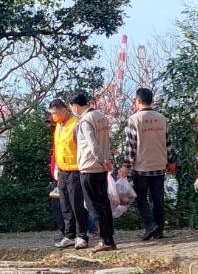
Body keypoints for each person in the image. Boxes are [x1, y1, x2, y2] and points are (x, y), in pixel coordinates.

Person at [117, 87, 177, 241]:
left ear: (137, 101)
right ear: (152, 100)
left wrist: (126, 165)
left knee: (140, 197)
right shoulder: (161, 118)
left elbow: (131, 145)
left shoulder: (134, 119)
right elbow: (168, 142)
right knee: (158, 199)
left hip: (141, 167)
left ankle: (150, 225)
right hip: (159, 165)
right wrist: (171, 161)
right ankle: (159, 230)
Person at [69, 92, 116, 252]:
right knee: (104, 203)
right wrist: (106, 160)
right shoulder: (100, 116)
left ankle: (105, 240)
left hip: (90, 166)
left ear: (75, 105)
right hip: (101, 167)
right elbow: (106, 141)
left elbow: (92, 143)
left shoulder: (85, 120)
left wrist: (101, 159)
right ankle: (109, 237)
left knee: (94, 205)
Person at [49, 98, 86, 248]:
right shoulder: (59, 126)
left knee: (77, 204)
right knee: (64, 205)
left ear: (64, 110)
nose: (53, 117)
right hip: (62, 171)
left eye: (55, 113)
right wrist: (57, 168)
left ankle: (82, 236)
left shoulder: (76, 124)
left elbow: (83, 147)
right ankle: (69, 235)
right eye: (52, 114)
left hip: (75, 170)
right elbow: (58, 148)